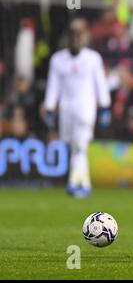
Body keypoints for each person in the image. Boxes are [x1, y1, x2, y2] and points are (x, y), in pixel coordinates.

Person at [44, 19, 111, 198]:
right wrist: (50, 108)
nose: (75, 41)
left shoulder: (93, 58)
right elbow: (53, 85)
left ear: (83, 39)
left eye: (78, 37)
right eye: (72, 37)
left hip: (86, 105)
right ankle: (84, 184)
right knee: (74, 146)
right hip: (66, 107)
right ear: (68, 40)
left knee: (79, 145)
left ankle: (74, 183)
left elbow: (100, 84)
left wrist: (104, 106)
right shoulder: (58, 60)